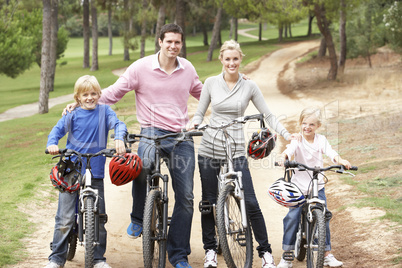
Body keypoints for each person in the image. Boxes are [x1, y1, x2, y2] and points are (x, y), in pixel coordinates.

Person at [65, 24, 203, 268]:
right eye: (169, 41)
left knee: (187, 196)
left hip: (181, 135)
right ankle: (139, 217)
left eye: (177, 42)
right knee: (143, 163)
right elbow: (114, 92)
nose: (173, 46)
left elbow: (203, 92)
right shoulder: (141, 68)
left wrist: (232, 84)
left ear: (182, 45)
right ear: (160, 41)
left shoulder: (188, 69)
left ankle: (179, 254)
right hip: (151, 131)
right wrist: (82, 102)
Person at [191, 39, 300, 268]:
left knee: (250, 201)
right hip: (210, 148)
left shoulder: (249, 86)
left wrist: (286, 134)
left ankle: (265, 253)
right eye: (227, 59)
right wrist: (196, 124)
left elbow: (268, 115)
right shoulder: (210, 83)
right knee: (208, 202)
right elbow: (199, 113)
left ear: (241, 59)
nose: (232, 63)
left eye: (236, 59)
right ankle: (210, 250)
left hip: (237, 150)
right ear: (221, 59)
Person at [45, 75, 127, 268]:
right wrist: (52, 143)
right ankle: (56, 258)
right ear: (78, 97)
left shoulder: (105, 111)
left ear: (99, 94)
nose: (89, 98)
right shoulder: (72, 114)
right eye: (85, 95)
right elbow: (57, 130)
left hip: (95, 168)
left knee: (99, 216)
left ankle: (98, 258)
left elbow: (118, 124)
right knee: (64, 216)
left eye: (93, 94)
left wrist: (119, 137)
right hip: (72, 168)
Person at [276, 107, 352, 268]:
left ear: (317, 126)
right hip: (298, 186)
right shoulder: (297, 140)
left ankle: (326, 254)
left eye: (311, 124)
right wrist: (283, 158)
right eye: (304, 123)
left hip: (317, 185)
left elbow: (331, 153)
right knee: (292, 217)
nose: (307, 127)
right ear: (300, 124)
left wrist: (341, 160)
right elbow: (289, 151)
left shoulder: (321, 140)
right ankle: (287, 256)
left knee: (323, 216)